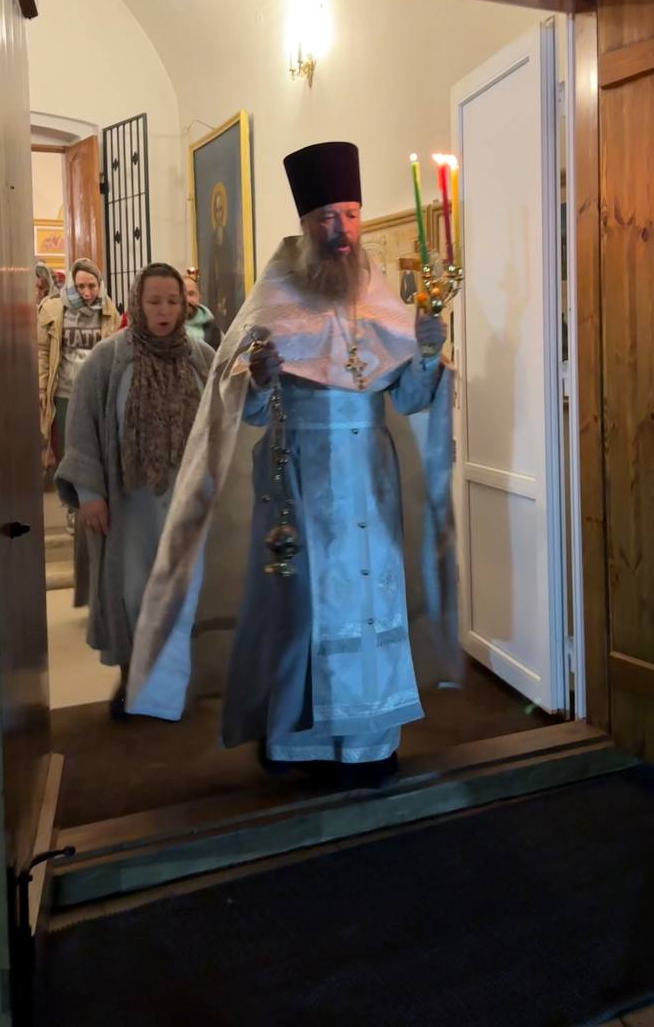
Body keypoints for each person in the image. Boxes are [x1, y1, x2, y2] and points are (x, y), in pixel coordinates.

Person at [127, 142, 458, 787]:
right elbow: (246, 412)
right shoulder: (274, 296)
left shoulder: (378, 293)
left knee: (372, 604)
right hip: (300, 485)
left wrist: (424, 356)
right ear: (305, 224)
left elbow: (409, 399)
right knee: (302, 609)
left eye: (352, 215)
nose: (341, 230)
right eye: (327, 217)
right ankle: (295, 740)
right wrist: (258, 376)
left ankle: (370, 743)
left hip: (373, 486)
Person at [55, 264, 214, 717]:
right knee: (134, 592)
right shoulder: (107, 360)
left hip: (188, 504)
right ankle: (134, 682)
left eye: (172, 301)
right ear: (137, 304)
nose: (164, 310)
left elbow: (221, 423)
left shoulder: (202, 358)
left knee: (185, 592)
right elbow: (81, 428)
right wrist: (90, 494)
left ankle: (179, 685)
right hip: (130, 506)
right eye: (154, 301)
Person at [38, 258, 121, 470]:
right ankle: (68, 491)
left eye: (92, 286)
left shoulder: (108, 310)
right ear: (71, 285)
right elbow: (43, 351)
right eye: (80, 286)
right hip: (64, 393)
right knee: (65, 452)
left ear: (99, 284)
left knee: (94, 451)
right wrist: (41, 387)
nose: (86, 292)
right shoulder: (54, 308)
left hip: (95, 393)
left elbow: (116, 350)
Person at [208, 185, 242, 331]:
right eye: (216, 210)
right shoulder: (213, 237)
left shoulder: (229, 235)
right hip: (216, 283)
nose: (219, 214)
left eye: (221, 209)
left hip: (228, 284)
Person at [184, 271, 222, 349]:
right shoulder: (165, 329)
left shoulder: (214, 329)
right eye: (182, 295)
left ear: (199, 297)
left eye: (191, 294)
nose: (187, 300)